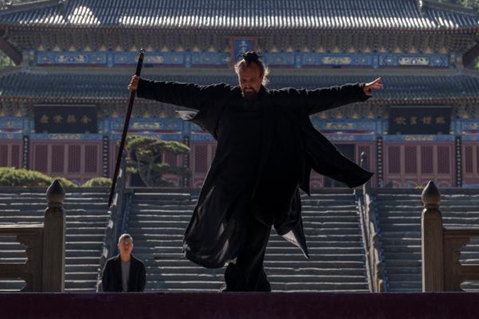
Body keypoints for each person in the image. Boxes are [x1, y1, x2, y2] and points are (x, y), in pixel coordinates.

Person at [128, 51, 382, 292]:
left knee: (254, 239)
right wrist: (144, 87)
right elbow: (183, 92)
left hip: (267, 187)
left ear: (262, 78)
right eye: (243, 80)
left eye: (252, 80)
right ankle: (259, 290)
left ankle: (234, 290)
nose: (247, 85)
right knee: (239, 241)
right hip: (231, 186)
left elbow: (317, 97)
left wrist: (359, 91)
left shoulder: (280, 103)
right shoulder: (222, 98)